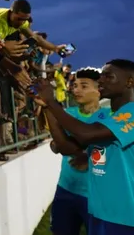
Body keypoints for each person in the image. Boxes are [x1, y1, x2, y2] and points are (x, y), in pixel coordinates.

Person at [34, 59, 134, 235]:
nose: (101, 80)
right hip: (102, 215)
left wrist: (53, 103)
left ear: (130, 82)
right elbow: (67, 147)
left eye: (108, 76)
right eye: (101, 76)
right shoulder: (102, 117)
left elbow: (85, 134)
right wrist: (47, 108)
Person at [40, 68, 107, 235]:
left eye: (83, 86)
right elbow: (56, 146)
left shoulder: (108, 117)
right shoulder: (66, 114)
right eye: (74, 85)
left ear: (99, 90)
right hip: (66, 189)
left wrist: (80, 153)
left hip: (96, 194)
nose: (76, 90)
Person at [0, 0, 68, 60]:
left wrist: (56, 48)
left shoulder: (23, 22)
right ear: (11, 12)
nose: (21, 23)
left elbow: (36, 38)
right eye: (19, 19)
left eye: (25, 19)